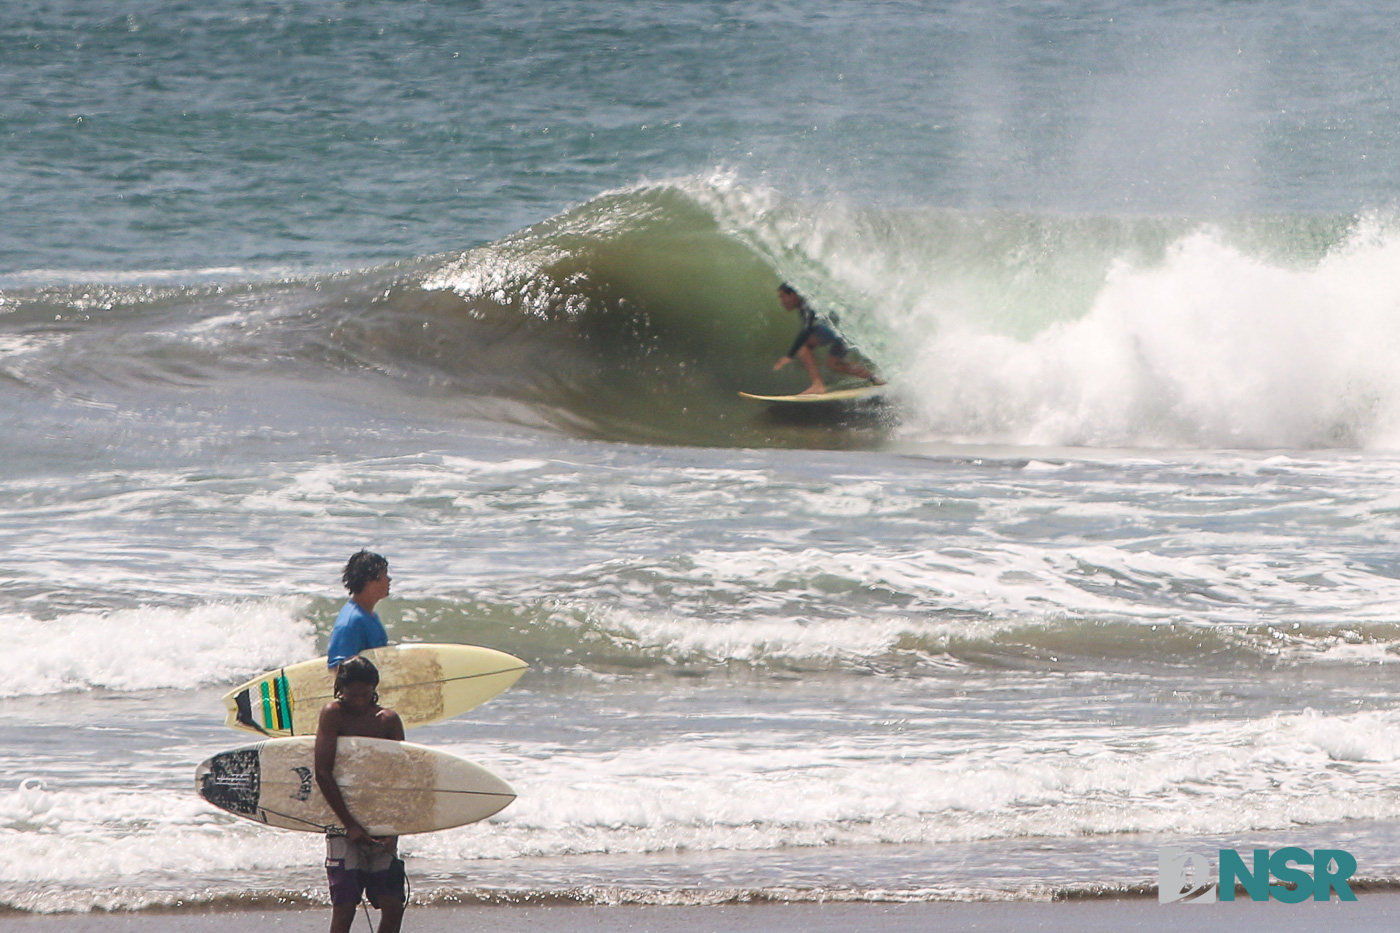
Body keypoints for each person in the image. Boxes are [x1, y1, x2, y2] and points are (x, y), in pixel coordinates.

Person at [315, 656, 407, 933]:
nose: (358, 700)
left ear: (374, 688)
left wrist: (394, 828)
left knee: (392, 904)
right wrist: (349, 824)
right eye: (351, 694)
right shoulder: (333, 714)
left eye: (364, 694)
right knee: (345, 906)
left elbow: (401, 779)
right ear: (339, 689)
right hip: (341, 817)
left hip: (381, 817)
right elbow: (322, 772)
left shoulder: (387, 721)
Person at [771, 283, 884, 395]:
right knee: (833, 363)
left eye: (782, 296)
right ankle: (874, 378)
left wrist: (789, 355)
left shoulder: (806, 304)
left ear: (792, 294)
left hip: (835, 328)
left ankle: (818, 385)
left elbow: (806, 329)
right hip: (846, 331)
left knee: (803, 348)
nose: (781, 301)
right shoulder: (807, 303)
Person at [327, 550, 392, 668]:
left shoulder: (370, 615)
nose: (389, 580)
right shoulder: (351, 622)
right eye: (384, 575)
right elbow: (339, 669)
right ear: (369, 582)